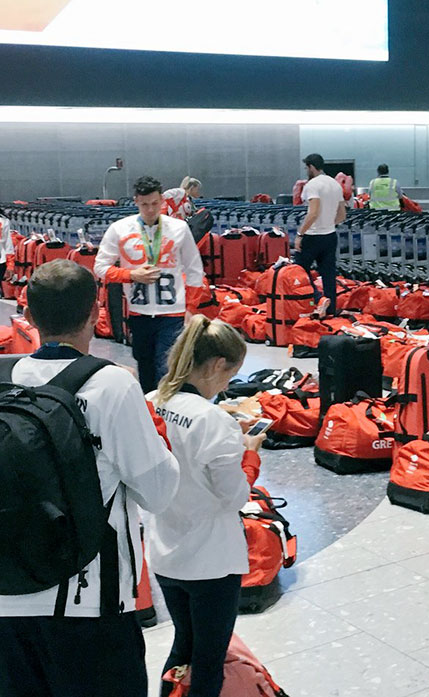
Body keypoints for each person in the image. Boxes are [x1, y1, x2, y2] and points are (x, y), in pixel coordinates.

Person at [0, 260, 180, 697]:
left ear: (30, 314)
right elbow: (158, 492)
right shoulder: (111, 385)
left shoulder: (12, 378)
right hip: (88, 601)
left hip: (10, 594)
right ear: (96, 308)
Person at [147, 316, 264, 697]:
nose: (229, 384)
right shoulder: (215, 421)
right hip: (211, 560)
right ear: (216, 365)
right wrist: (249, 457)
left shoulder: (153, 402)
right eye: (230, 374)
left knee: (183, 646)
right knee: (209, 661)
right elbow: (234, 497)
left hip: (165, 551)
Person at [95, 175, 205, 393]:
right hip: (139, 313)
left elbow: (194, 270)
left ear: (162, 200)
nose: (150, 209)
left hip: (172, 312)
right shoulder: (120, 228)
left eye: (155, 203)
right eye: (144, 204)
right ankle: (151, 417)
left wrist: (191, 308)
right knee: (144, 367)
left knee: (167, 369)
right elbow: (100, 267)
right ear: (136, 201)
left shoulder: (179, 228)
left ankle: (169, 418)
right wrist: (131, 274)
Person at [294, 153, 346, 317]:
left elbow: (313, 212)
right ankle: (330, 310)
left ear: (311, 167)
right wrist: (329, 223)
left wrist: (300, 234)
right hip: (330, 236)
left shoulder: (312, 185)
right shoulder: (335, 184)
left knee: (300, 269)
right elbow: (342, 214)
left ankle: (317, 299)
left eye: (306, 167)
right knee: (328, 274)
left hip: (313, 236)